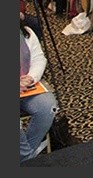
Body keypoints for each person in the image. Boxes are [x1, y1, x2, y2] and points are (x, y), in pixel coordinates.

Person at [20, 20, 59, 162]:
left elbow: (39, 59)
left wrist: (31, 77)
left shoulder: (26, 32)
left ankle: (24, 155)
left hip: (26, 87)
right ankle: (27, 157)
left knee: (48, 107)